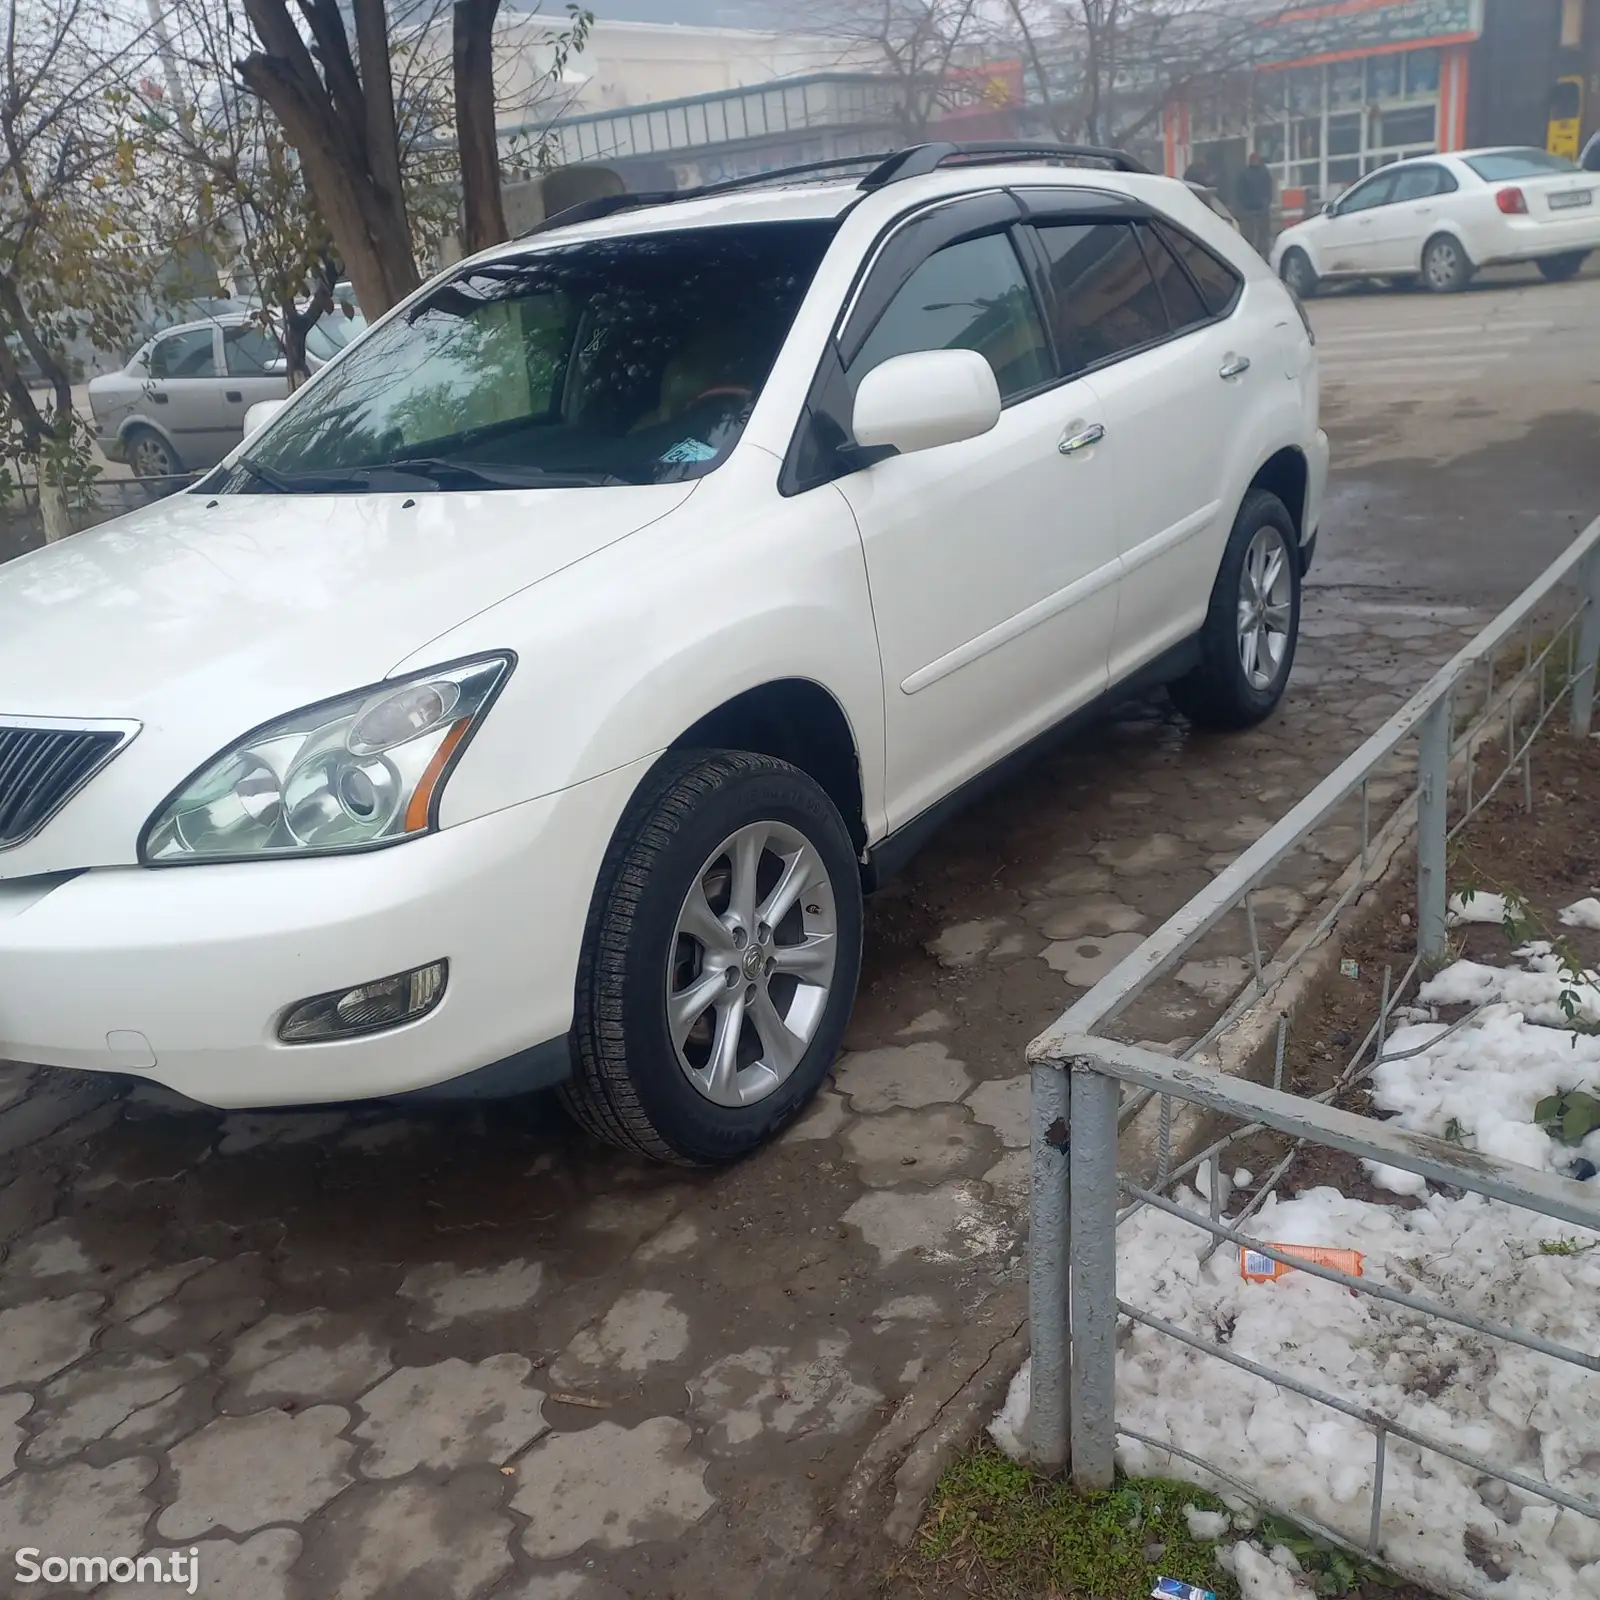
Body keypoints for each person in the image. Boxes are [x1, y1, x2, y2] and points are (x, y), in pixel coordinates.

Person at [1236, 150, 1277, 259]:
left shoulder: (1263, 172)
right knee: (1250, 236)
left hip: (1261, 209)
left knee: (1263, 236)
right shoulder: (1245, 173)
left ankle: (1264, 257)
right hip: (1250, 210)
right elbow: (1240, 191)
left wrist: (1266, 202)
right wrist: (1245, 205)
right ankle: (1252, 256)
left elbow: (1269, 188)